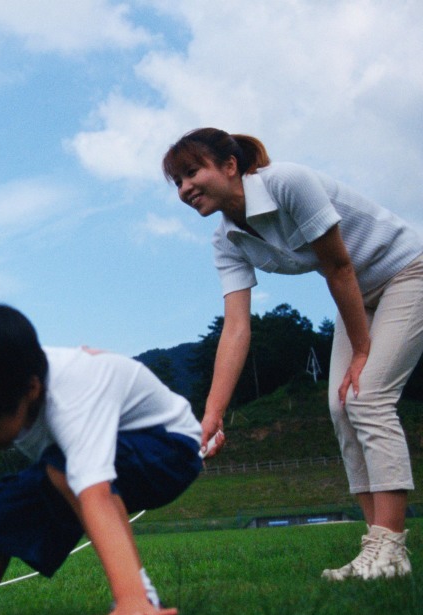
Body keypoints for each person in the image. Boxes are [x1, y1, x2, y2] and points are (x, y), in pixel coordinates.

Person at [162, 128, 421, 580]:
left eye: (191, 172)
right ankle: (376, 549)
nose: (185, 189)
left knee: (367, 396)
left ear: (229, 166)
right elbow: (237, 328)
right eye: (177, 182)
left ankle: (392, 548)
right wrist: (214, 414)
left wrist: (362, 351)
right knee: (341, 407)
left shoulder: (287, 182)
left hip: (407, 272)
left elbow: (338, 266)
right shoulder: (227, 240)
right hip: (361, 293)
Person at [0, 303, 204, 615]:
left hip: (169, 450)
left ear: (32, 390)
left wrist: (130, 598)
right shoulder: (6, 379)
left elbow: (95, 494)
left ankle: (140, 600)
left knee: (62, 468)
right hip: (98, 457)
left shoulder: (74, 395)